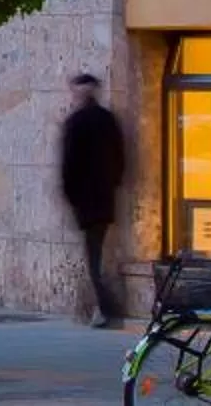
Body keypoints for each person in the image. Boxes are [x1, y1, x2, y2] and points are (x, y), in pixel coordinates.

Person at [60, 72, 127, 328]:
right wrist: (113, 183)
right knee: (95, 254)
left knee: (94, 258)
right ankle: (103, 307)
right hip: (105, 199)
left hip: (87, 202)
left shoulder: (77, 122)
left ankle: (105, 309)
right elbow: (120, 159)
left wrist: (71, 197)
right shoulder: (107, 119)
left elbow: (69, 165)